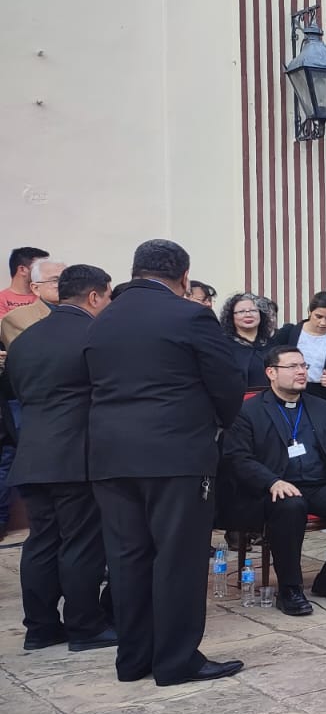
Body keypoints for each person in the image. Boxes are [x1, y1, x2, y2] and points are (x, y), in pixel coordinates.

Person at [87, 239, 244, 685]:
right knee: (178, 558)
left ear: (134, 272)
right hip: (176, 455)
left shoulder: (101, 319)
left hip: (110, 457)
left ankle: (133, 659)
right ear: (184, 276)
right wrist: (216, 427)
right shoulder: (190, 313)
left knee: (127, 558)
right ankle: (176, 661)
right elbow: (228, 383)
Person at [7, 264, 116, 651]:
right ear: (93, 296)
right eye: (106, 297)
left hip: (33, 454)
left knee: (40, 543)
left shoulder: (24, 340)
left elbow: (17, 394)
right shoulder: (95, 335)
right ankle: (85, 627)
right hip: (77, 454)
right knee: (81, 543)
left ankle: (40, 628)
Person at [222, 346, 326, 614]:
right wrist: (272, 481)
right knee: (290, 506)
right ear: (271, 372)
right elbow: (238, 458)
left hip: (319, 485)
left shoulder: (323, 407)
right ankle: (290, 589)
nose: (302, 372)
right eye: (293, 366)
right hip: (273, 488)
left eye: (304, 366)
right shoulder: (248, 410)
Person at [270, 291, 326, 414]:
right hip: (291, 391)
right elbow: (272, 358)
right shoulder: (289, 332)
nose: (323, 322)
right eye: (318, 316)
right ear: (310, 312)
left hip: (322, 393)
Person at [0, 258, 62, 348]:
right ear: (36, 288)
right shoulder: (16, 319)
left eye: (68, 280)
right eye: (55, 281)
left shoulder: (84, 311)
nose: (64, 284)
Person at [220, 292, 277, 389]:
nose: (248, 315)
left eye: (253, 310)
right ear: (231, 316)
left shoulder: (272, 345)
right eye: (241, 312)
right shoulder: (223, 345)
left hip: (269, 400)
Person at [0, 247, 48, 320]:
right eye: (39, 267)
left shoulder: (46, 295)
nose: (45, 272)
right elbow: (5, 328)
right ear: (22, 270)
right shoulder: (2, 299)